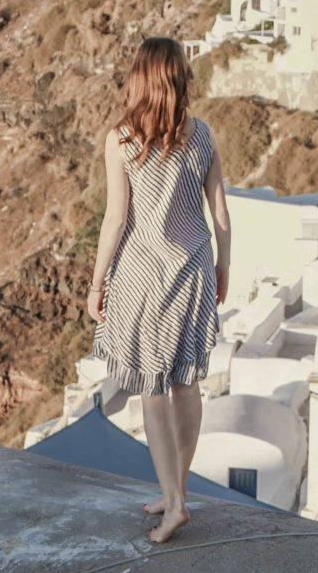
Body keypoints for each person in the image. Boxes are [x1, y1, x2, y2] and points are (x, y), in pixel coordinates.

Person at [87, 37, 230, 545]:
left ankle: (174, 507)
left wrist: (97, 281)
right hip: (192, 272)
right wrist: (223, 266)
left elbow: (116, 219)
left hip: (145, 278)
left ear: (140, 80)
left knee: (151, 391)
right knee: (185, 386)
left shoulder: (122, 140)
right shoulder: (203, 136)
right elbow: (221, 217)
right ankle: (176, 493)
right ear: (179, 80)